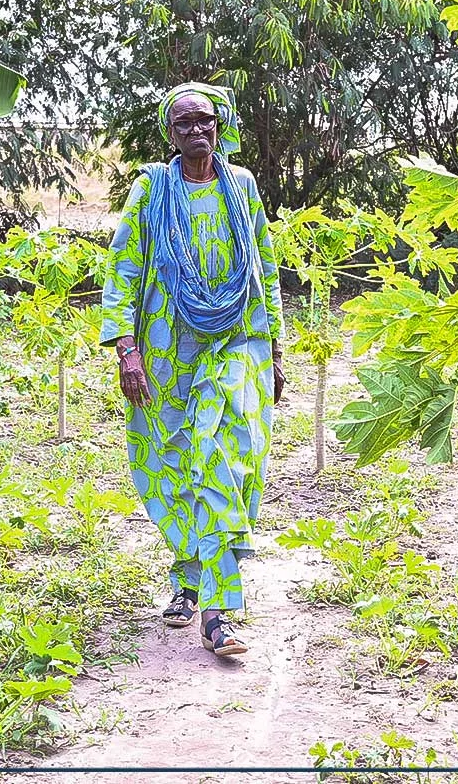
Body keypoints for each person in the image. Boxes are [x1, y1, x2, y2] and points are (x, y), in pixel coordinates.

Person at [99, 82, 286, 659]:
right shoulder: (151, 190)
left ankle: (218, 610)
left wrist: (275, 351)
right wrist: (128, 351)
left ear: (220, 123)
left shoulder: (243, 186)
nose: (196, 132)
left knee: (222, 454)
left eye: (204, 121)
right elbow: (124, 269)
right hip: (164, 343)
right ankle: (188, 576)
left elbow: (264, 267)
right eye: (183, 125)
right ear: (169, 134)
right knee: (175, 457)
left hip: (234, 339)